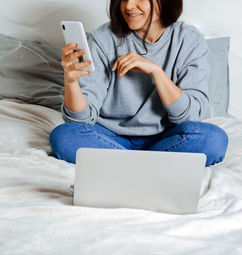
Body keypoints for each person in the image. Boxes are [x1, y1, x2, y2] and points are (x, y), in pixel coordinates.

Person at [49, 0, 228, 166]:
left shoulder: (188, 39)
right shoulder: (102, 39)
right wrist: (71, 82)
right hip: (109, 137)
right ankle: (148, 167)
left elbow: (191, 116)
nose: (128, 6)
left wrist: (157, 72)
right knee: (64, 137)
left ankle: (123, 165)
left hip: (165, 138)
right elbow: (81, 121)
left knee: (213, 139)